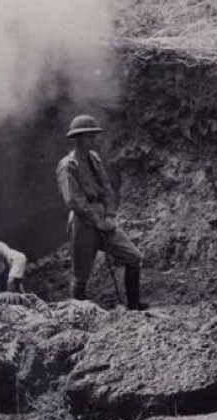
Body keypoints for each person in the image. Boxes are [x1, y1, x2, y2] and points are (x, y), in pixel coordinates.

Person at [56, 114, 148, 310]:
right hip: (82, 222)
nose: (93, 139)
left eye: (93, 135)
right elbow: (73, 199)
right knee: (81, 275)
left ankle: (134, 305)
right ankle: (77, 314)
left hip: (102, 217)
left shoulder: (94, 158)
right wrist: (96, 220)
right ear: (77, 138)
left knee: (133, 256)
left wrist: (109, 215)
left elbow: (106, 187)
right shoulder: (68, 165)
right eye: (88, 136)